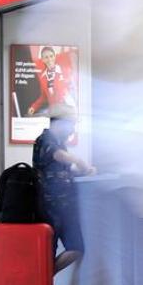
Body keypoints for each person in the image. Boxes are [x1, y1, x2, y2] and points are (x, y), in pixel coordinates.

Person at [32, 111, 92, 273]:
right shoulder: (45, 139)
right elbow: (59, 156)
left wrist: (83, 172)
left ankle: (42, 279)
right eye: (71, 125)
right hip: (50, 208)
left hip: (64, 208)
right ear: (59, 123)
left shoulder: (60, 143)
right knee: (47, 253)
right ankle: (41, 282)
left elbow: (63, 170)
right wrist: (79, 161)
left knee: (76, 248)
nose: (72, 130)